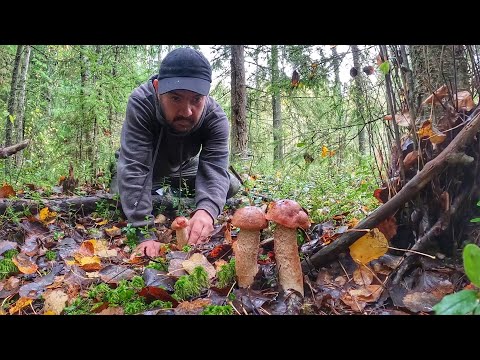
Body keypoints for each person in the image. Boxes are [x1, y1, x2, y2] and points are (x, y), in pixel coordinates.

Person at [112, 47, 241, 257]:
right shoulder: (141, 103)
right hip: (146, 166)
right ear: (157, 88)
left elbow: (215, 170)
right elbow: (135, 167)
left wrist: (206, 212)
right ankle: (158, 192)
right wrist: (144, 231)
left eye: (196, 99)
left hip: (183, 167)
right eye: (175, 98)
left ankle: (163, 193)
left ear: (207, 96)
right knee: (121, 193)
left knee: (230, 185)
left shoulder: (215, 118)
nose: (187, 111)